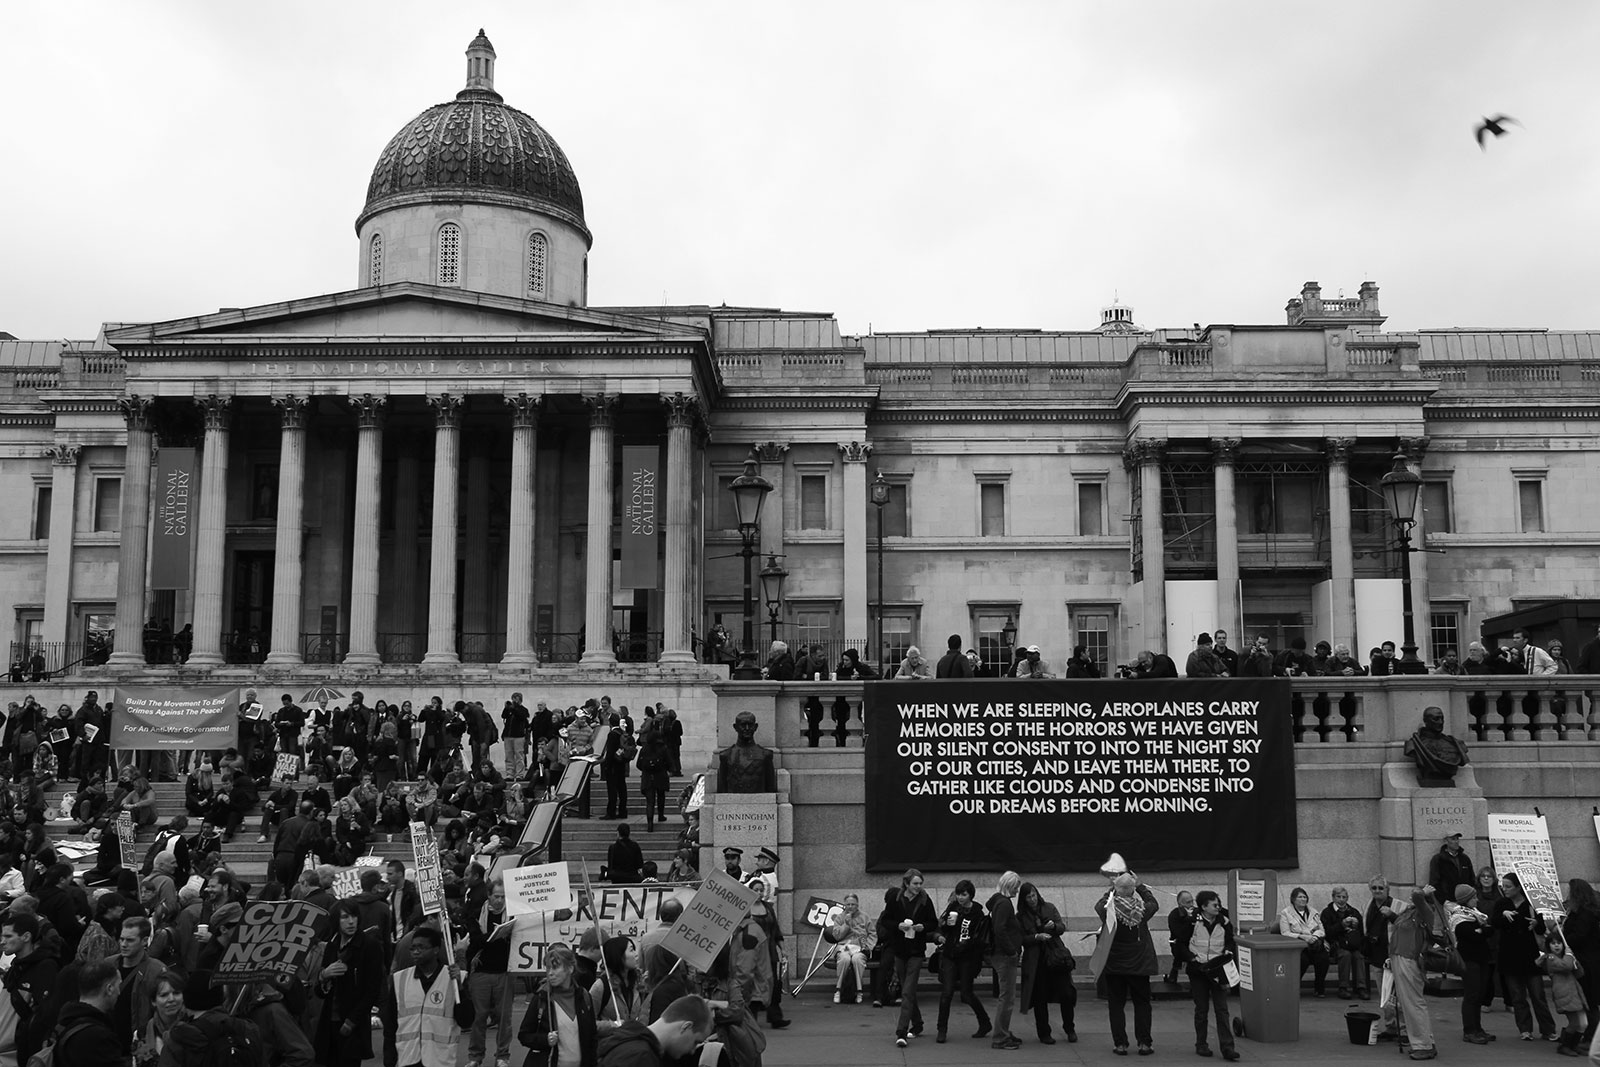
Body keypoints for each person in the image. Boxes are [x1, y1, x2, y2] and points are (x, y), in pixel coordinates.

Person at [1094, 871, 1160, 1056]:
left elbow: (1099, 905)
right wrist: (1140, 886)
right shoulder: (1142, 910)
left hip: (1115, 966)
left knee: (1116, 1005)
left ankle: (1120, 1044)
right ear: (1132, 892)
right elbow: (1154, 903)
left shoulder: (1109, 910)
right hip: (1139, 966)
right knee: (1142, 1004)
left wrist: (1112, 889)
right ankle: (1144, 1043)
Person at [1172, 890, 1240, 1061]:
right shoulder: (1191, 922)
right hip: (1198, 972)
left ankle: (1227, 1048)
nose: (1218, 907)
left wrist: (1228, 951)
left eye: (1218, 904)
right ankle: (1201, 1044)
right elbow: (1180, 943)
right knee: (1201, 1010)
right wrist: (1191, 958)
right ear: (1203, 907)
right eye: (1214, 905)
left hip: (1218, 971)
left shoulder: (1224, 922)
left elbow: (1231, 940)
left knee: (1222, 1010)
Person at [315, 901, 383, 1067]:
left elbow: (373, 990)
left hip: (352, 1022)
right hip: (330, 1020)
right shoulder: (332, 946)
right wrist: (324, 976)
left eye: (354, 916)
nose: (351, 921)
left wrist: (352, 1021)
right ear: (336, 920)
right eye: (345, 917)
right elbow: (319, 991)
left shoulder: (369, 946)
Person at [1494, 871, 1556, 1040]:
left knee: (1538, 995)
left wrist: (1537, 923)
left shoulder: (1531, 904)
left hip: (1531, 956)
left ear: (1518, 887)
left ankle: (1548, 1029)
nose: (1505, 889)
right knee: (1517, 996)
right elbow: (1494, 924)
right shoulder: (1501, 904)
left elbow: (1542, 930)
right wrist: (1503, 916)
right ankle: (1525, 1029)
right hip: (1509, 955)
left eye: (1508, 886)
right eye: (1503, 886)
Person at [880, 868, 937, 1048]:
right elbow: (885, 921)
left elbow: (933, 922)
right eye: (915, 884)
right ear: (906, 883)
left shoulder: (925, 900)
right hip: (899, 949)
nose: (918, 887)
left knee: (907, 991)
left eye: (920, 883)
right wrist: (898, 926)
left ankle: (901, 1031)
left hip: (916, 951)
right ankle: (918, 1023)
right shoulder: (896, 899)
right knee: (908, 990)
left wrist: (923, 927)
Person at [519, 942, 599, 1067]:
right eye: (548, 968)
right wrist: (544, 1040)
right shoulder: (542, 997)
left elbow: (592, 1038)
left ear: (570, 969)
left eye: (555, 967)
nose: (550, 973)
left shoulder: (584, 997)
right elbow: (524, 1035)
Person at [930, 880, 990, 1042]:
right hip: (950, 954)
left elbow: (979, 938)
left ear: (970, 895)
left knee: (966, 993)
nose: (960, 898)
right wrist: (947, 927)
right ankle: (941, 1029)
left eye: (964, 894)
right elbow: (942, 927)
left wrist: (967, 943)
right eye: (958, 894)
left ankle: (984, 1022)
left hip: (968, 957)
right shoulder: (953, 907)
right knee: (946, 992)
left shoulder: (977, 913)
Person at [392, 925, 461, 1067]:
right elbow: (390, 1023)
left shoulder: (453, 979)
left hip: (440, 1059)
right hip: (409, 1058)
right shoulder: (400, 979)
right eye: (413, 948)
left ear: (436, 950)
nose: (415, 952)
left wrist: (460, 988)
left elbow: (466, 1020)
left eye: (421, 948)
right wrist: (390, 1059)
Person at [1018, 881, 1075, 1045]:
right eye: (1028, 897)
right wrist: (1036, 937)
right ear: (1024, 899)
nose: (1032, 899)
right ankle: (1044, 1033)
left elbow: (1062, 927)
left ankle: (1069, 1028)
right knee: (1040, 998)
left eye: (1034, 895)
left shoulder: (1049, 907)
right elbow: (1021, 939)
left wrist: (1054, 926)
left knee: (1066, 993)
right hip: (1036, 961)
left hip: (1056, 956)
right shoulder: (1020, 916)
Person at [466, 877, 514, 1067]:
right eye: (496, 896)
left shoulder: (511, 916)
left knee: (504, 1018)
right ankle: (475, 1057)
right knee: (479, 1017)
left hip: (504, 971)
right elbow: (476, 940)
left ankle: (502, 1056)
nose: (500, 901)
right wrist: (497, 936)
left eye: (503, 897)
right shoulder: (477, 914)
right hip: (481, 972)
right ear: (488, 895)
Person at [2, 912, 60, 1067]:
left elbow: (45, 1016)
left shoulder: (45, 967)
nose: (2, 941)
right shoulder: (15, 966)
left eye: (8, 936)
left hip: (20, 1055)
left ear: (26, 937)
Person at [1389, 888, 1442, 1060]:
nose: (1410, 899)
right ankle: (1425, 1041)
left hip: (1410, 959)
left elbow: (1417, 896)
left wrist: (1422, 891)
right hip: (1400, 957)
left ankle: (1423, 1044)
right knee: (1408, 1002)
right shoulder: (1409, 912)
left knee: (1413, 1002)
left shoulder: (1425, 911)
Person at [594, 992, 713, 1067]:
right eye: (696, 1042)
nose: (692, 1051)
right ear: (686, 1027)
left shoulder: (630, 1040)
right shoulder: (641, 1057)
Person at [52, 956, 125, 1066]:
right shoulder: (100, 1037)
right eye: (118, 986)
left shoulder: (63, 1023)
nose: (119, 992)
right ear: (109, 989)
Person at [1447, 884, 1497, 1045]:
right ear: (1465, 900)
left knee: (1480, 994)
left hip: (1481, 958)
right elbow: (1469, 935)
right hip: (1469, 959)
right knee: (1472, 995)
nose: (1477, 899)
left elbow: (1489, 931)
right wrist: (1481, 931)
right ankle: (1469, 1030)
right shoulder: (1458, 917)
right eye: (1473, 897)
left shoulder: (1476, 915)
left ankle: (1478, 1028)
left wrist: (1481, 931)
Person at [985, 871, 1023, 1050]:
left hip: (1000, 954)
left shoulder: (996, 902)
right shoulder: (1005, 904)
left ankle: (1003, 1031)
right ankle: (1000, 1037)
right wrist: (1012, 951)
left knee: (1006, 997)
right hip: (1005, 956)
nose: (1017, 890)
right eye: (1016, 886)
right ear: (1009, 886)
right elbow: (1000, 930)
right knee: (1007, 998)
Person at [1539, 931, 1588, 1056]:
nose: (1556, 946)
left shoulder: (1566, 957)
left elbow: (1579, 973)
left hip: (1574, 992)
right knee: (1575, 1022)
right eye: (1553, 943)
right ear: (1548, 946)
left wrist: (1575, 963)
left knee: (1583, 1023)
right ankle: (1564, 1046)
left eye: (1559, 943)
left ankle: (1573, 1045)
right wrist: (1570, 956)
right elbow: (1566, 966)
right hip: (1564, 993)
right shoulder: (1550, 959)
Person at [1277, 886, 1329, 997]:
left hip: (1314, 945)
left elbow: (1322, 930)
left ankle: (1319, 988)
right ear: (1293, 899)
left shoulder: (1313, 912)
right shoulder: (1286, 913)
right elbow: (1285, 933)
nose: (1303, 899)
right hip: (1298, 947)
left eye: (1305, 897)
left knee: (1323, 958)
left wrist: (1314, 936)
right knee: (1302, 960)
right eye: (1300, 897)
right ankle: (1294, 987)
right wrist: (1303, 937)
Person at [1321, 887, 1367, 999]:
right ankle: (1343, 988)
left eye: (1344, 897)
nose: (1341, 900)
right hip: (1336, 945)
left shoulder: (1353, 911)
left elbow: (1362, 932)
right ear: (1333, 897)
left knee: (1358, 956)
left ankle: (1361, 988)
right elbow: (1327, 932)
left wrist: (1355, 926)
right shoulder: (1327, 912)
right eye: (1338, 897)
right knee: (1345, 955)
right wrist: (1342, 925)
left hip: (1352, 944)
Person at [827, 893, 873, 1005]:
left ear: (857, 905)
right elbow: (837, 936)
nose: (850, 906)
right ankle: (838, 990)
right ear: (844, 905)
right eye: (848, 904)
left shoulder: (865, 917)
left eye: (853, 904)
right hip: (843, 947)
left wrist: (867, 947)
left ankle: (859, 991)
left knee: (857, 959)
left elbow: (872, 934)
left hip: (860, 947)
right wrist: (846, 924)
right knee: (844, 959)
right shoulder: (839, 917)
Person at [1427, 833, 1476, 901]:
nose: (1456, 842)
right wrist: (1443, 899)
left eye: (1457, 839)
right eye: (1453, 839)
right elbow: (1434, 882)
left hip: (1465, 900)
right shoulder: (1438, 859)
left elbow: (1472, 879)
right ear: (1446, 841)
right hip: (1448, 901)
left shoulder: (1464, 858)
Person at [1162, 891, 1195, 984]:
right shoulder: (1174, 915)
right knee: (1180, 948)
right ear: (1181, 904)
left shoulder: (1196, 912)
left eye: (1192, 901)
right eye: (1188, 902)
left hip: (1194, 942)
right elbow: (1179, 933)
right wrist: (1189, 919)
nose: (1191, 904)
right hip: (1179, 943)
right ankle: (1173, 975)